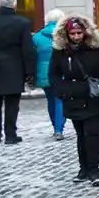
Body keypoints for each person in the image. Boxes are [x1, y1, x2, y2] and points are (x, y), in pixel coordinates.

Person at [48, 14, 99, 186]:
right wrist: (61, 90)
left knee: (92, 133)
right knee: (81, 134)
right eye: (72, 34)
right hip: (73, 97)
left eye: (79, 33)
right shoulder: (61, 50)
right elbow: (54, 73)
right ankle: (84, 169)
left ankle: (94, 170)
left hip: (96, 96)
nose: (76, 37)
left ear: (85, 31)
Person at [0, 0, 36, 144]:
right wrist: (30, 71)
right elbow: (27, 49)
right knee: (12, 102)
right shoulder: (22, 23)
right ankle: (10, 134)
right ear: (15, 5)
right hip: (14, 66)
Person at [33, 9, 66, 140]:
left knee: (50, 100)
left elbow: (33, 57)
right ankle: (59, 129)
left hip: (43, 72)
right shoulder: (64, 35)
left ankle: (55, 126)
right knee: (60, 100)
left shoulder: (36, 37)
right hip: (61, 71)